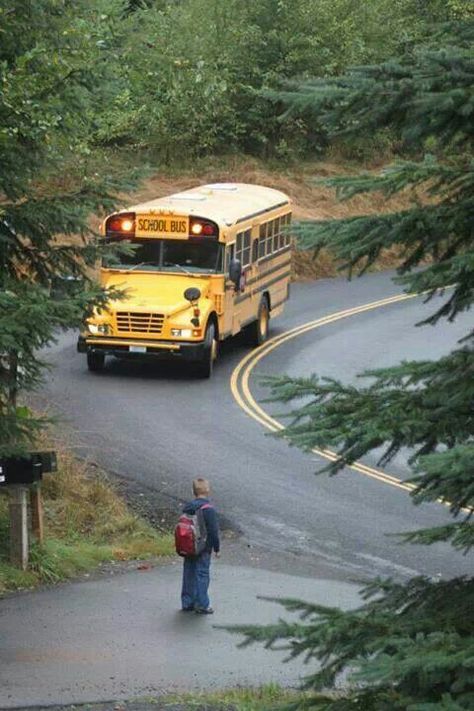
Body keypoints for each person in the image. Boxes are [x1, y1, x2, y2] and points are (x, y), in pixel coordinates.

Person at [181, 477, 220, 614]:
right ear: (208, 490)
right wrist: (216, 548)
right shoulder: (208, 509)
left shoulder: (188, 507)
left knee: (188, 573)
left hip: (188, 546)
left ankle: (187, 602)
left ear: (193, 491)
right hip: (203, 548)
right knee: (202, 574)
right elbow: (214, 532)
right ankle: (202, 604)